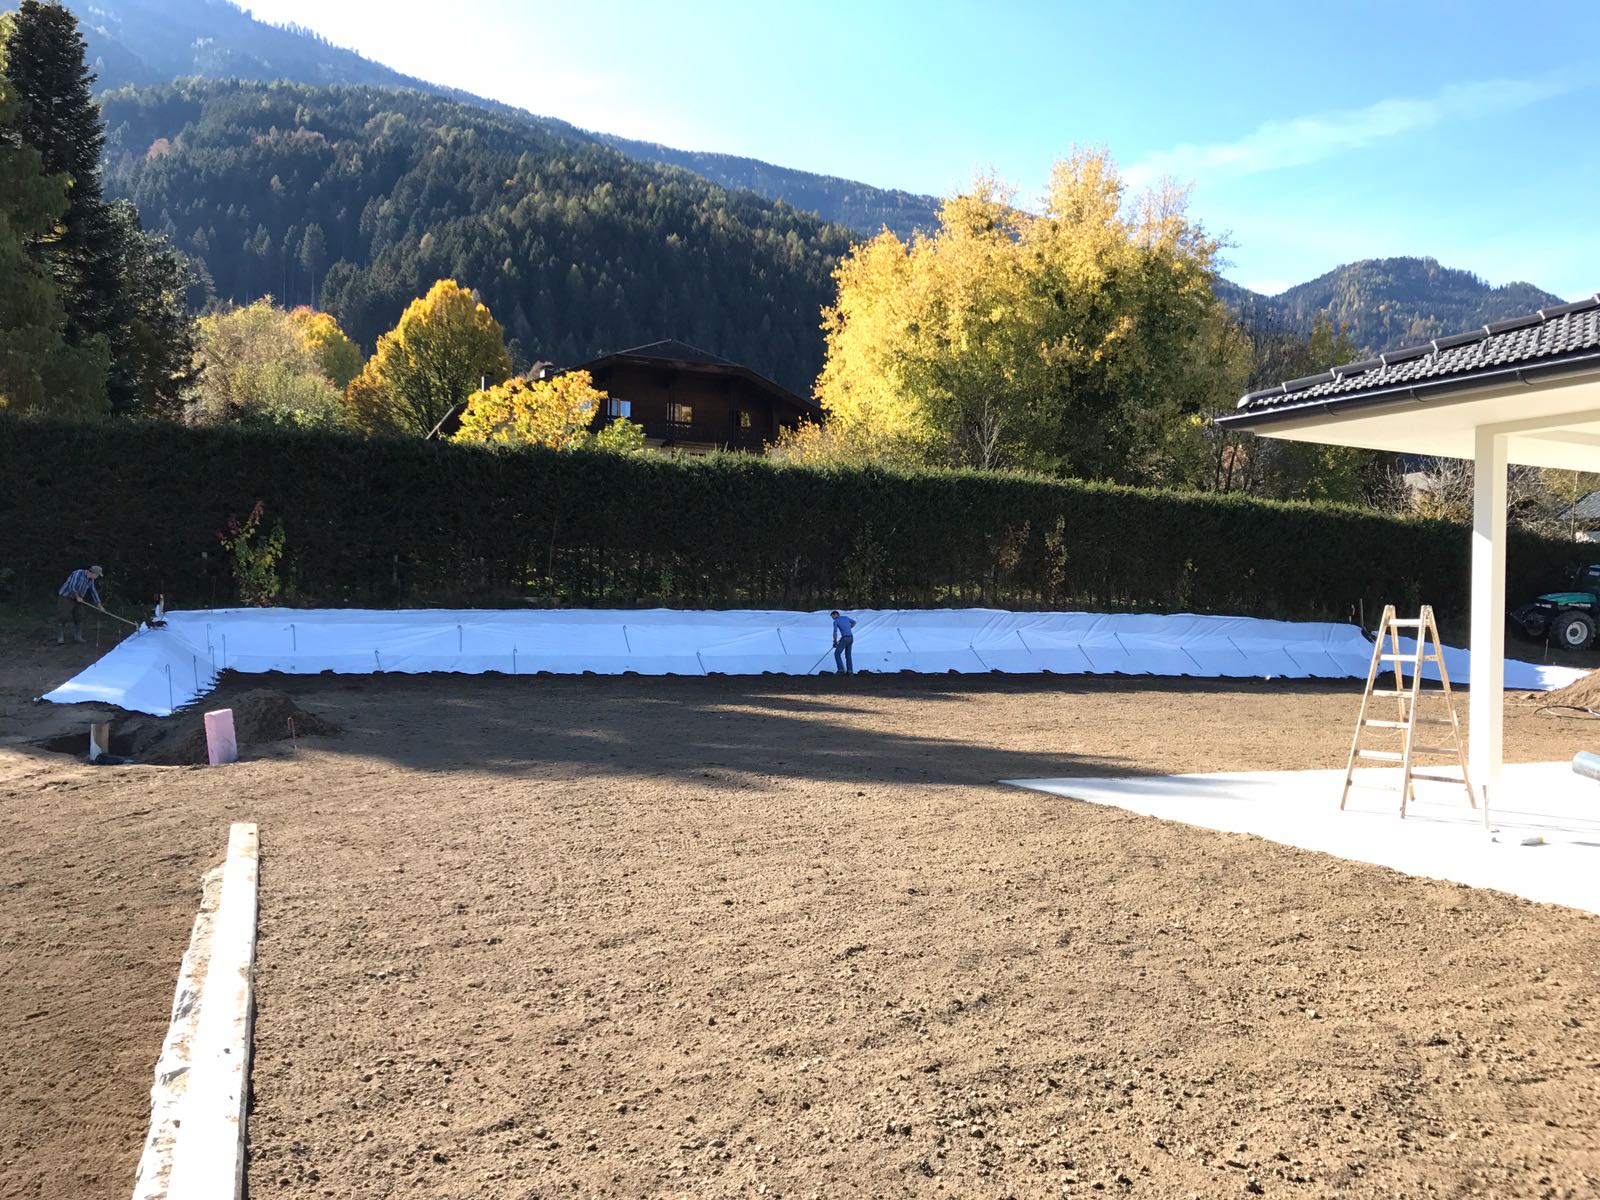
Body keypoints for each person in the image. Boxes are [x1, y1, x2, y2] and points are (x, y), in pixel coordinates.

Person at [56, 565, 104, 644]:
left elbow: (93, 591)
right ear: (93, 573)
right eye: (97, 575)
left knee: (79, 615)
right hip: (66, 596)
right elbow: (72, 586)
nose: (97, 577)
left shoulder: (90, 580)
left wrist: (98, 604)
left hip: (78, 599)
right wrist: (77, 596)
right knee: (63, 616)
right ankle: (60, 637)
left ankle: (78, 637)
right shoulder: (78, 574)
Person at [830, 609, 856, 675]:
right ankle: (850, 671)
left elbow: (835, 632)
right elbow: (854, 622)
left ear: (836, 614)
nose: (832, 618)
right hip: (851, 638)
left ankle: (841, 670)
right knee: (848, 655)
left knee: (837, 654)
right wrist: (848, 628)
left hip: (844, 639)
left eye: (832, 616)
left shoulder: (836, 621)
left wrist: (835, 641)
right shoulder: (846, 618)